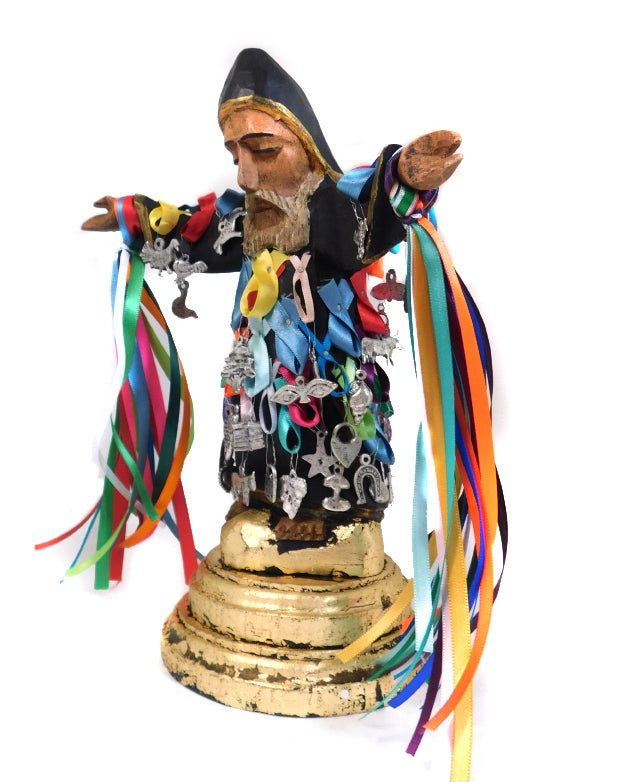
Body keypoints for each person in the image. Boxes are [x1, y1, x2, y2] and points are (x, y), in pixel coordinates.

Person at [82, 48, 462, 540]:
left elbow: (376, 213)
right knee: (254, 414)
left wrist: (404, 178)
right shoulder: (250, 213)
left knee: (325, 416)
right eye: (235, 155)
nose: (245, 176)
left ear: (306, 145)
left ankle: (326, 508)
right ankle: (262, 492)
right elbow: (196, 230)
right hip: (257, 363)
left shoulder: (334, 207)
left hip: (325, 365)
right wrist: (136, 219)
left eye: (263, 150)